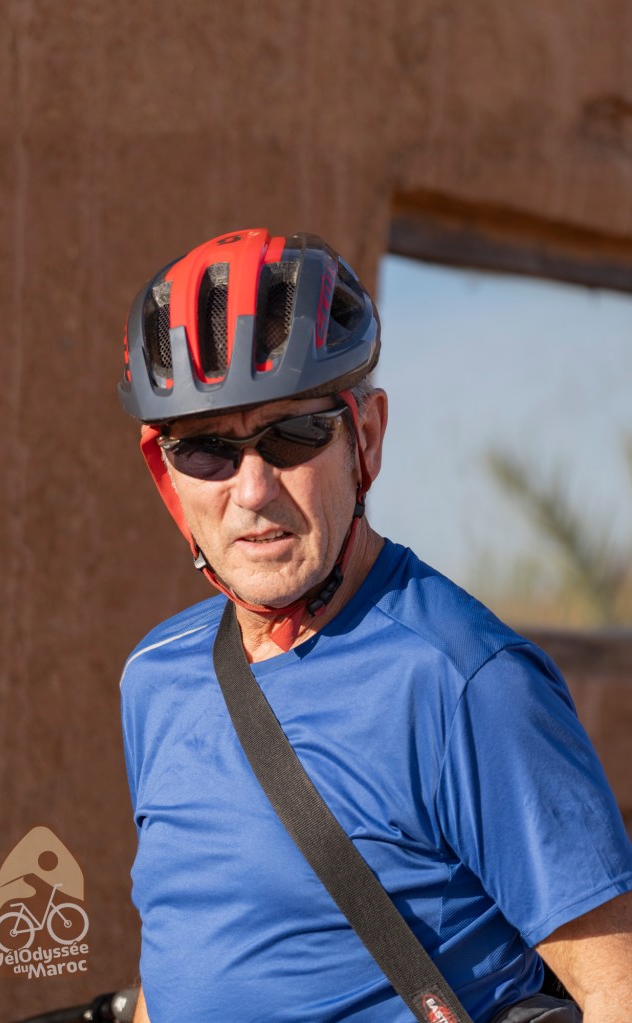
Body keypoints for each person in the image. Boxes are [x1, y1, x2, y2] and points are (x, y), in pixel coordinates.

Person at [118, 228, 632, 1023]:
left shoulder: (464, 679)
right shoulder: (157, 675)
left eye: (292, 435)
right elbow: (194, 948)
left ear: (365, 436)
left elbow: (617, 988)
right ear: (166, 472)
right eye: (208, 451)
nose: (251, 489)